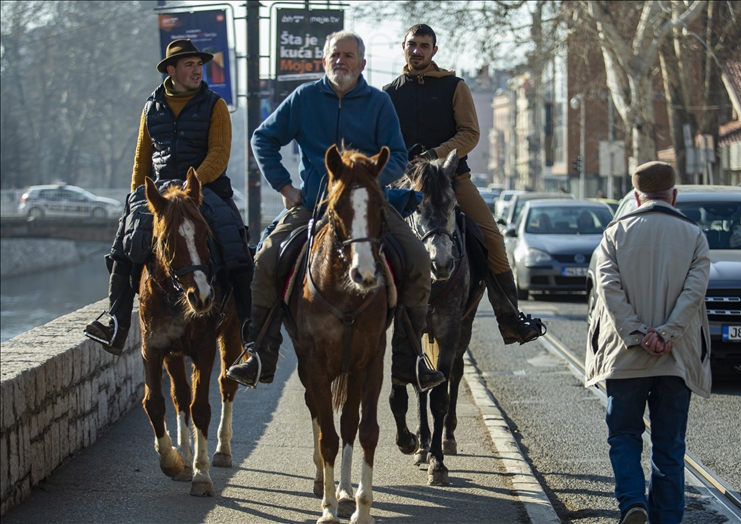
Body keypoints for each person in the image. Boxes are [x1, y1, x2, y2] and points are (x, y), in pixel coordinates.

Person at [226, 30, 445, 391]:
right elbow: (262, 137)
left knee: (418, 259)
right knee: (265, 258)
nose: (340, 61)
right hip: (313, 205)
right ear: (324, 61)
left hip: (370, 208)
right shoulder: (304, 98)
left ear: (361, 63)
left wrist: (369, 179)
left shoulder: (378, 103)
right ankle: (260, 352)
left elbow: (400, 157)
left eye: (348, 55)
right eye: (334, 55)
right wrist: (284, 186)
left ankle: (411, 361)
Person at [84, 39, 252, 354]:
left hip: (204, 189)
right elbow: (142, 160)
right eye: (189, 65)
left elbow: (219, 154)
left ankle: (248, 326)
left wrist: (192, 188)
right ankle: (115, 322)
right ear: (171, 70)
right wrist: (137, 198)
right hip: (160, 192)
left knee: (236, 244)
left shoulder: (215, 105)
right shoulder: (152, 107)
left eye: (199, 65)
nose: (197, 70)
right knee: (125, 245)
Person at [383, 24, 545, 345]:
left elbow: (470, 134)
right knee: (365, 235)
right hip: (406, 186)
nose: (417, 51)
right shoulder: (388, 93)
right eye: (412, 45)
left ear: (434, 51)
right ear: (403, 47)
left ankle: (509, 318)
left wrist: (434, 155)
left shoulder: (454, 86)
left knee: (493, 239)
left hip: (453, 180)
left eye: (424, 46)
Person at [585, 161, 711, 524]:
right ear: (674, 195)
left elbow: (608, 289)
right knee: (669, 448)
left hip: (625, 356)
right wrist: (667, 333)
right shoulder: (694, 235)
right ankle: (667, 520)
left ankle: (632, 503)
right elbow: (694, 292)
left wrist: (638, 334)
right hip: (677, 359)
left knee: (624, 436)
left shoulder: (615, 233)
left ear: (637, 197)